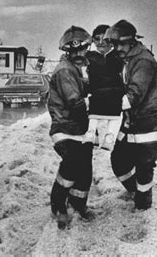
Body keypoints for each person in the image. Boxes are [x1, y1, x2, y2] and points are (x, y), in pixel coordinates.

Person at [104, 19, 157, 210]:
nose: (116, 48)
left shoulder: (143, 61)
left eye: (120, 44)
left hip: (150, 125)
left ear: (132, 42)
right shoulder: (129, 59)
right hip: (134, 121)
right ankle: (135, 191)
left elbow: (133, 96)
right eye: (114, 44)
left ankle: (143, 205)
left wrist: (102, 106)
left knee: (144, 167)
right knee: (119, 160)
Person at [48, 25, 95, 229]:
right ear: (67, 51)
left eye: (81, 49)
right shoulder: (65, 70)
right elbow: (75, 103)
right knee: (73, 165)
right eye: (72, 50)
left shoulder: (77, 69)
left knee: (85, 169)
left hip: (78, 129)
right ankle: (58, 206)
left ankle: (77, 204)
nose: (77, 54)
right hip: (65, 128)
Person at [84, 24, 125, 150]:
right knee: (93, 108)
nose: (101, 42)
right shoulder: (88, 56)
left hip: (113, 93)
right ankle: (92, 133)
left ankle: (109, 136)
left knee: (116, 112)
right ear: (92, 40)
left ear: (111, 41)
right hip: (97, 92)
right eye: (97, 39)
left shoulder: (118, 56)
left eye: (105, 39)